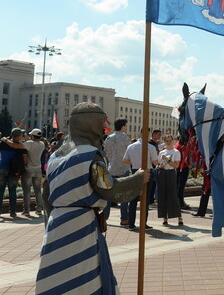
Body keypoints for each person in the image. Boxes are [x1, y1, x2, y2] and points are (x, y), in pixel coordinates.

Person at [36, 103, 149, 294]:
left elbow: (47, 194)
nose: (103, 129)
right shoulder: (91, 155)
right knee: (84, 276)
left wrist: (50, 223)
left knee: (57, 274)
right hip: (81, 226)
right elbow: (108, 188)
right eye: (101, 125)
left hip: (56, 224)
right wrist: (138, 179)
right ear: (91, 126)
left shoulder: (55, 156)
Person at [123, 131, 159, 230]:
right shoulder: (150, 147)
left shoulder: (131, 146)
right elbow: (155, 162)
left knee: (133, 199)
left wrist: (134, 163)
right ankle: (143, 223)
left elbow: (125, 160)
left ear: (140, 133)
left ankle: (131, 224)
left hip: (135, 170)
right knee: (145, 199)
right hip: (147, 171)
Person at [103, 118, 132, 226]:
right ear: (123, 126)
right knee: (124, 196)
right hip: (123, 168)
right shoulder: (126, 139)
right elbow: (128, 154)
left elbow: (107, 154)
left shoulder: (109, 138)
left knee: (108, 196)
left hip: (111, 168)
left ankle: (104, 218)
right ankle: (124, 218)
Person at [0, 128, 28, 218]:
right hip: (14, 171)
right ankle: (12, 212)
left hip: (2, 168)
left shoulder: (3, 143)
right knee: (12, 191)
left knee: (1, 190)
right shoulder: (21, 146)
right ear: (19, 136)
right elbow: (25, 160)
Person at [157, 134, 183, 226]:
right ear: (164, 142)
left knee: (173, 195)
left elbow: (176, 165)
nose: (168, 142)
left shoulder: (176, 152)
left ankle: (179, 217)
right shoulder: (161, 152)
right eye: (166, 141)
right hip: (162, 173)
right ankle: (165, 217)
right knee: (163, 195)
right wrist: (160, 165)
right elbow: (159, 164)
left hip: (171, 173)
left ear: (173, 141)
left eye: (169, 140)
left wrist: (167, 160)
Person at [22, 128, 45, 216]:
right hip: (38, 169)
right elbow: (32, 142)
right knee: (38, 190)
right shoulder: (42, 144)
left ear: (32, 136)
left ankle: (26, 210)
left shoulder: (29, 143)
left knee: (27, 191)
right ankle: (39, 209)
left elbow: (19, 145)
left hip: (28, 169)